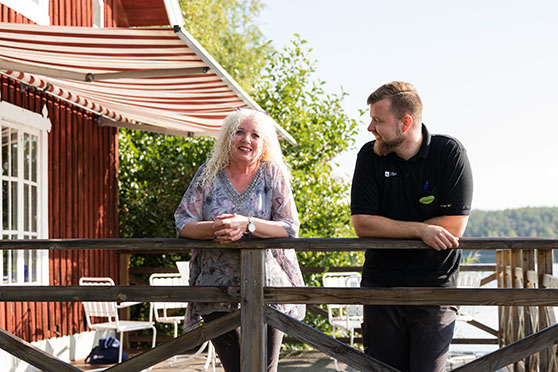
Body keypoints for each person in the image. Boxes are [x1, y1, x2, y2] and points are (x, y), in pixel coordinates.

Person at [351, 81, 473, 372]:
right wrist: (421, 230)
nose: (370, 127)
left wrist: (391, 226)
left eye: (378, 120)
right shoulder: (368, 156)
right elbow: (363, 223)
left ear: (405, 123)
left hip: (436, 287)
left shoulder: (449, 153)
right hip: (381, 285)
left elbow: (454, 225)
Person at [174, 108, 305, 372]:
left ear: (264, 143)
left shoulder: (272, 174)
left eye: (255, 135)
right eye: (239, 132)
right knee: (237, 369)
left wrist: (248, 224)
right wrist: (215, 228)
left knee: (265, 368)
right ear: (227, 137)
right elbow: (183, 222)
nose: (247, 140)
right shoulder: (208, 174)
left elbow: (290, 227)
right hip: (215, 288)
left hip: (267, 288)